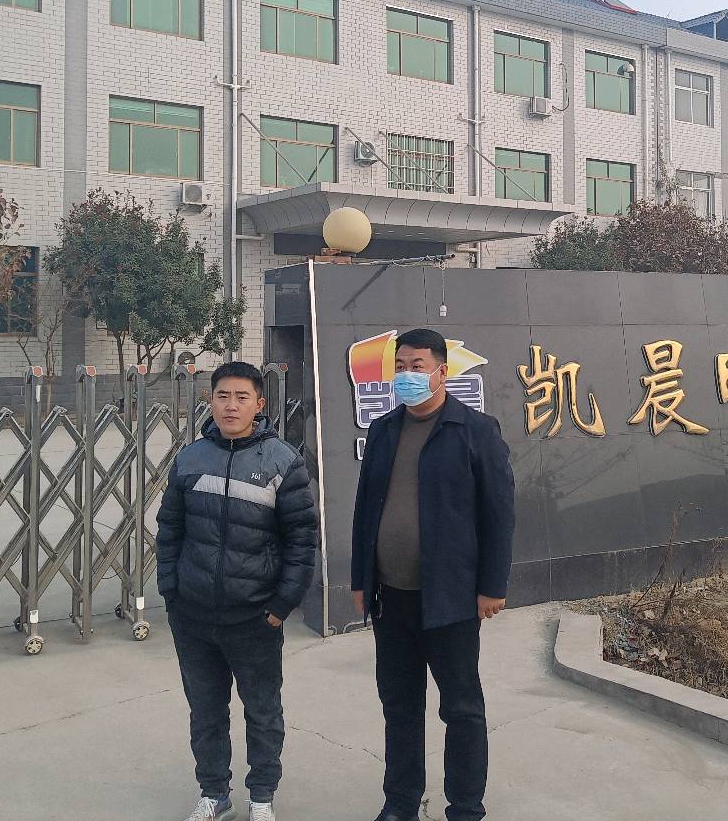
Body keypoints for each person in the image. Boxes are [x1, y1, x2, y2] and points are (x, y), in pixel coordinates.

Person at [350, 328, 516, 821]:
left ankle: (465, 806)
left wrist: (492, 586)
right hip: (391, 597)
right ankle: (400, 803)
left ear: (442, 372)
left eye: (417, 366)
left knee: (461, 708)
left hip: (450, 599)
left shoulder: (475, 430)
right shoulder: (384, 430)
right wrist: (360, 580)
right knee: (399, 706)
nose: (406, 374)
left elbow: (499, 513)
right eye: (400, 366)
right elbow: (365, 510)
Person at [157, 361, 319, 821]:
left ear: (259, 404)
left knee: (263, 711)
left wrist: (282, 604)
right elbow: (170, 529)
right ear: (210, 401)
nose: (231, 406)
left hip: (254, 618)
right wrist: (171, 590)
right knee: (205, 711)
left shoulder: (282, 462)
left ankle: (262, 796)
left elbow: (302, 540)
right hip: (193, 616)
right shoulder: (190, 459)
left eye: (242, 397)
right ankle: (214, 794)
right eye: (223, 396)